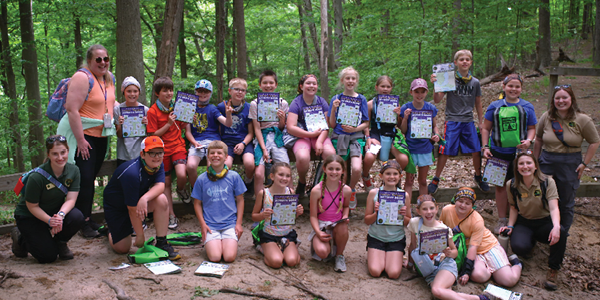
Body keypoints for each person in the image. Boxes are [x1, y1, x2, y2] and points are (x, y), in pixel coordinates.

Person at [59, 44, 116, 238]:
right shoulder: (82, 77)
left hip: (101, 137)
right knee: (83, 180)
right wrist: (81, 140)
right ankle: (80, 223)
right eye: (98, 59)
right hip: (83, 137)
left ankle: (87, 218)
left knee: (90, 179)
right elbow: (71, 109)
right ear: (90, 61)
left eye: (106, 59)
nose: (103, 62)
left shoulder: (108, 79)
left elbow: (110, 102)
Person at [534, 84, 600, 233]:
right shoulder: (547, 116)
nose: (561, 101)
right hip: (547, 160)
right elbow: (538, 139)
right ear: (553, 100)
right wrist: (535, 160)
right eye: (557, 98)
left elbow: (594, 141)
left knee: (566, 200)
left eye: (565, 97)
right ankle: (543, 230)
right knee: (541, 196)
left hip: (570, 162)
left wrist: (584, 163)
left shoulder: (582, 119)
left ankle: (562, 233)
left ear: (572, 99)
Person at [102, 136, 180, 260]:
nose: (157, 156)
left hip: (137, 202)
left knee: (162, 199)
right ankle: (109, 230)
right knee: (122, 248)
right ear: (142, 154)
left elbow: (160, 186)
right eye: (152, 153)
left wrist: (144, 198)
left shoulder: (158, 164)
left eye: (160, 153)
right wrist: (140, 235)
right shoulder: (132, 173)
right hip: (117, 208)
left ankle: (162, 242)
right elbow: (132, 209)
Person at [499, 152, 567, 291]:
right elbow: (513, 207)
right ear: (517, 168)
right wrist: (510, 225)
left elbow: (554, 208)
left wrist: (556, 226)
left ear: (535, 166)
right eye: (521, 164)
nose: (525, 167)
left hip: (544, 221)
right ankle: (530, 243)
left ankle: (553, 269)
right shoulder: (511, 184)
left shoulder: (547, 182)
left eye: (529, 163)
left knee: (562, 233)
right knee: (518, 247)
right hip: (525, 222)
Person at [11, 135, 85, 263]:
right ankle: (20, 239)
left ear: (68, 151)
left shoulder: (74, 171)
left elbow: (71, 200)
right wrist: (50, 221)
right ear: (48, 154)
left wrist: (60, 216)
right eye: (55, 154)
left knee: (77, 217)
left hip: (53, 212)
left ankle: (60, 243)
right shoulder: (37, 177)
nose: (60, 158)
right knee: (47, 257)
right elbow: (32, 206)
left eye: (63, 152)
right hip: (30, 216)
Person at [480, 74, 537, 233]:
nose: (513, 89)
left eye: (517, 86)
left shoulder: (527, 107)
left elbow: (532, 128)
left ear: (521, 89)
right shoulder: (494, 106)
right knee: (499, 187)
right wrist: (485, 147)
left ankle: (520, 218)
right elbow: (486, 128)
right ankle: (501, 219)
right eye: (510, 86)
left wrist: (529, 140)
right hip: (497, 153)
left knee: (521, 185)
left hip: (520, 155)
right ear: (504, 87)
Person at [428, 50, 488, 194]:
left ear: (471, 62)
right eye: (461, 59)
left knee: (476, 149)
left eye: (468, 59)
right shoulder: (449, 79)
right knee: (445, 150)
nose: (465, 62)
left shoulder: (475, 82)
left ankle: (478, 176)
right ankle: (436, 178)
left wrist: (481, 121)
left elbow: (478, 103)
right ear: (456, 63)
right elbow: (437, 100)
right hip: (452, 120)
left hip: (468, 120)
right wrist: (436, 86)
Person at [407, 195, 489, 300]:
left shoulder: (443, 229)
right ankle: (480, 298)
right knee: (442, 294)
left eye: (431, 208)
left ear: (437, 209)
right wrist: (410, 264)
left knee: (437, 291)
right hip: (428, 269)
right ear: (418, 211)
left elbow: (455, 252)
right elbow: (413, 246)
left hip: (445, 265)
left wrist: (449, 253)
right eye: (424, 209)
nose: (429, 212)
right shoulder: (415, 223)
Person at [440, 187, 522, 287]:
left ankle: (517, 264)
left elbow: (473, 247)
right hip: (470, 250)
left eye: (467, 203)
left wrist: (466, 271)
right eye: (460, 201)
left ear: (472, 206)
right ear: (455, 201)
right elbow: (441, 230)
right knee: (479, 276)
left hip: (487, 246)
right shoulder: (446, 210)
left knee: (508, 281)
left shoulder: (477, 220)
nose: (463, 205)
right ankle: (495, 269)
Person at [191, 141, 246, 263]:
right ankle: (214, 242)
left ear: (226, 157)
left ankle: (226, 241)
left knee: (229, 257)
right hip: (211, 226)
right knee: (215, 257)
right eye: (212, 153)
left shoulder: (234, 176)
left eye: (219, 153)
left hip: (229, 224)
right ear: (208, 156)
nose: (215, 155)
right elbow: (197, 203)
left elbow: (240, 200)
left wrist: (238, 223)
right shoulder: (201, 179)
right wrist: (203, 225)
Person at [147, 76, 188, 230]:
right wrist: (168, 123)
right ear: (158, 93)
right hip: (161, 150)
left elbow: (182, 125)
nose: (169, 93)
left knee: (182, 174)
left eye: (170, 90)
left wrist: (190, 119)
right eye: (165, 91)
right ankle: (171, 215)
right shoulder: (152, 111)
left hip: (178, 147)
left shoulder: (177, 107)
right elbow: (153, 135)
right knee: (166, 183)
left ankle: (181, 189)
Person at [362, 76, 413, 195]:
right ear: (377, 87)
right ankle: (365, 176)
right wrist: (368, 137)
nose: (385, 89)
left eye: (388, 86)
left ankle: (393, 181)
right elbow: (366, 123)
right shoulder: (370, 104)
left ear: (391, 88)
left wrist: (399, 115)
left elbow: (400, 125)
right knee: (369, 157)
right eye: (382, 86)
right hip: (376, 134)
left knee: (403, 159)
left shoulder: (395, 103)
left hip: (392, 134)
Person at [287, 74, 336, 196]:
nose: (311, 86)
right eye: (308, 83)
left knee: (331, 155)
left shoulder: (321, 102)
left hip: (319, 135)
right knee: (303, 157)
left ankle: (323, 184)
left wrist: (319, 141)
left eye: (314, 83)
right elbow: (291, 127)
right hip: (302, 136)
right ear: (301, 86)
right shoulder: (296, 103)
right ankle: (302, 182)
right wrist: (309, 134)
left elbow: (326, 125)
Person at [328, 66, 370, 208]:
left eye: (353, 78)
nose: (350, 81)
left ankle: (351, 191)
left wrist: (355, 129)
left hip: (356, 137)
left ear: (356, 81)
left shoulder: (361, 99)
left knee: (357, 169)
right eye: (347, 78)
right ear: (342, 80)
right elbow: (332, 124)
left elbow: (366, 122)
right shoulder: (336, 99)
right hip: (339, 137)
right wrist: (333, 108)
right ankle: (339, 197)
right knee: (342, 172)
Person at [251, 162, 304, 268]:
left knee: (292, 261)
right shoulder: (264, 194)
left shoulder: (290, 192)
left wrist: (297, 213)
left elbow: (290, 217)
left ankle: (287, 246)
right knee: (276, 262)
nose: (284, 178)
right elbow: (254, 216)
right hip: (269, 234)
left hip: (286, 233)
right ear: (272, 176)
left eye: (288, 176)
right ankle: (263, 247)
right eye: (281, 174)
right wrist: (263, 215)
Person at [364, 160, 410, 279]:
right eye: (388, 174)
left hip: (396, 239)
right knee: (375, 271)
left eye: (395, 174)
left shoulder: (404, 195)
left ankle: (391, 257)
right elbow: (367, 220)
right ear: (381, 176)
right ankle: (375, 254)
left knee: (393, 274)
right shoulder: (374, 193)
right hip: (376, 237)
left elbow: (408, 222)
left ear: (400, 176)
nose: (391, 177)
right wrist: (376, 213)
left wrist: (403, 215)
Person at [185, 79, 233, 192]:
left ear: (210, 93)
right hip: (197, 142)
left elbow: (227, 123)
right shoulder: (190, 109)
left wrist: (229, 114)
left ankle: (213, 191)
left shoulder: (212, 109)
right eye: (200, 91)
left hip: (213, 142)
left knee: (211, 166)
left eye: (206, 91)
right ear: (195, 92)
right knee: (191, 166)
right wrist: (194, 143)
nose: (202, 94)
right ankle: (198, 191)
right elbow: (187, 132)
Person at [249, 70, 291, 194]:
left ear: (276, 84)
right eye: (265, 83)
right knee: (259, 174)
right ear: (260, 85)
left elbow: (282, 127)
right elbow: (256, 128)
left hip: (278, 137)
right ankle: (260, 204)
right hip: (262, 137)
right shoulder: (255, 103)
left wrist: (282, 118)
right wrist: (263, 149)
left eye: (271, 83)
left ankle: (288, 201)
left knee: (285, 168)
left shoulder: (282, 103)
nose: (268, 85)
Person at [309, 155, 351, 272]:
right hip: (322, 225)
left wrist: (345, 216)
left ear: (342, 171)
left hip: (337, 224)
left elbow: (346, 206)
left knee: (343, 226)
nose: (334, 172)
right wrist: (318, 232)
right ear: (324, 169)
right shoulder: (316, 191)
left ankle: (339, 255)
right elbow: (313, 216)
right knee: (323, 253)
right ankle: (326, 245)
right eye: (330, 168)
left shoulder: (346, 190)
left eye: (337, 169)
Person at [399, 78, 440, 196]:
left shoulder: (430, 108)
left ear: (426, 92)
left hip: (425, 148)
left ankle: (423, 206)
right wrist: (406, 117)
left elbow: (435, 126)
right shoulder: (406, 108)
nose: (420, 94)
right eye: (417, 91)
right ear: (411, 92)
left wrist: (436, 135)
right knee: (409, 181)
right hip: (411, 148)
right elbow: (403, 130)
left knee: (422, 181)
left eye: (423, 91)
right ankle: (406, 210)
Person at [217, 78, 255, 194]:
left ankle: (248, 182)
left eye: (243, 90)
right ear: (230, 91)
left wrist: (243, 144)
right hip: (227, 143)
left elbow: (250, 133)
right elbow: (218, 130)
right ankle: (227, 188)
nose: (239, 92)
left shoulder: (248, 107)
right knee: (226, 165)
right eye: (236, 89)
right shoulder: (221, 107)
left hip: (244, 142)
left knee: (249, 163)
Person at [114, 76, 149, 166]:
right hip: (123, 154)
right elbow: (119, 135)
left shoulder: (145, 110)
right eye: (129, 91)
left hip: (140, 153)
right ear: (123, 92)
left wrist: (147, 125)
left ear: (139, 92)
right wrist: (121, 124)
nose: (132, 94)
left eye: (135, 91)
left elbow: (148, 135)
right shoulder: (118, 109)